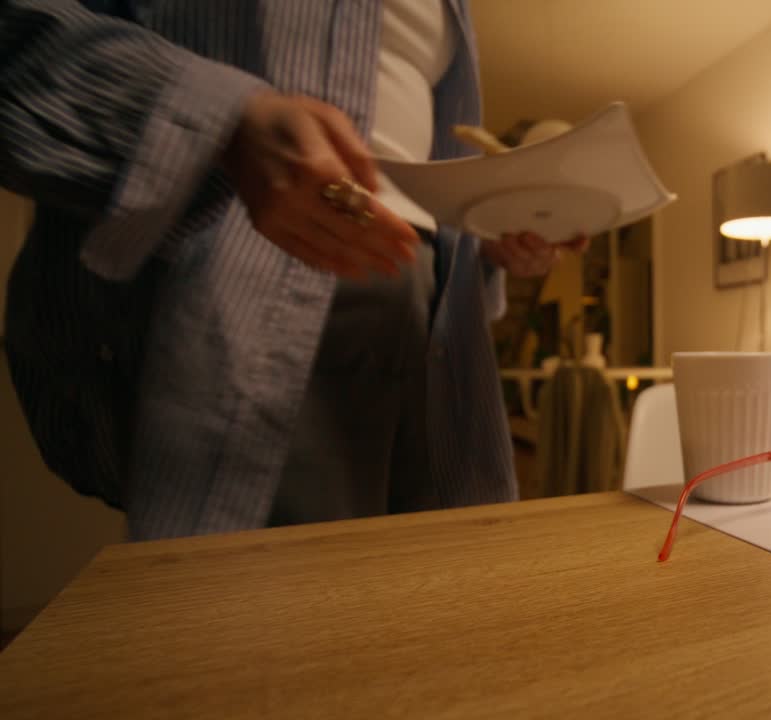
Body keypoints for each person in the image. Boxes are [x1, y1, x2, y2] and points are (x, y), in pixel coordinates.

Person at [1, 0, 569, 538]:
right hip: (246, 288)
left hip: (435, 326)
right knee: (270, 610)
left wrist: (488, 241)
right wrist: (223, 122)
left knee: (424, 600)